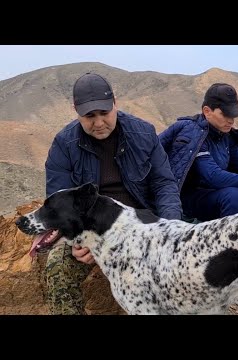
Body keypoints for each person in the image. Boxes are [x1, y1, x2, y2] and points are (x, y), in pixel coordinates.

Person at [44, 73, 182, 315]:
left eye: (104, 113)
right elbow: (60, 202)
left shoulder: (144, 134)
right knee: (58, 267)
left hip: (141, 223)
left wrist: (170, 228)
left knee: (177, 272)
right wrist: (77, 240)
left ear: (115, 103)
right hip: (91, 230)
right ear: (75, 110)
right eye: (89, 116)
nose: (98, 123)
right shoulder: (63, 144)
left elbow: (164, 185)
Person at [159, 83, 238, 309]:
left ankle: (229, 234)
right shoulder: (192, 134)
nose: (231, 120)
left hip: (213, 198)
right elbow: (213, 177)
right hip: (186, 201)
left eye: (233, 115)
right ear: (207, 111)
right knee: (234, 195)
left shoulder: (223, 135)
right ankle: (228, 272)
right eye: (225, 114)